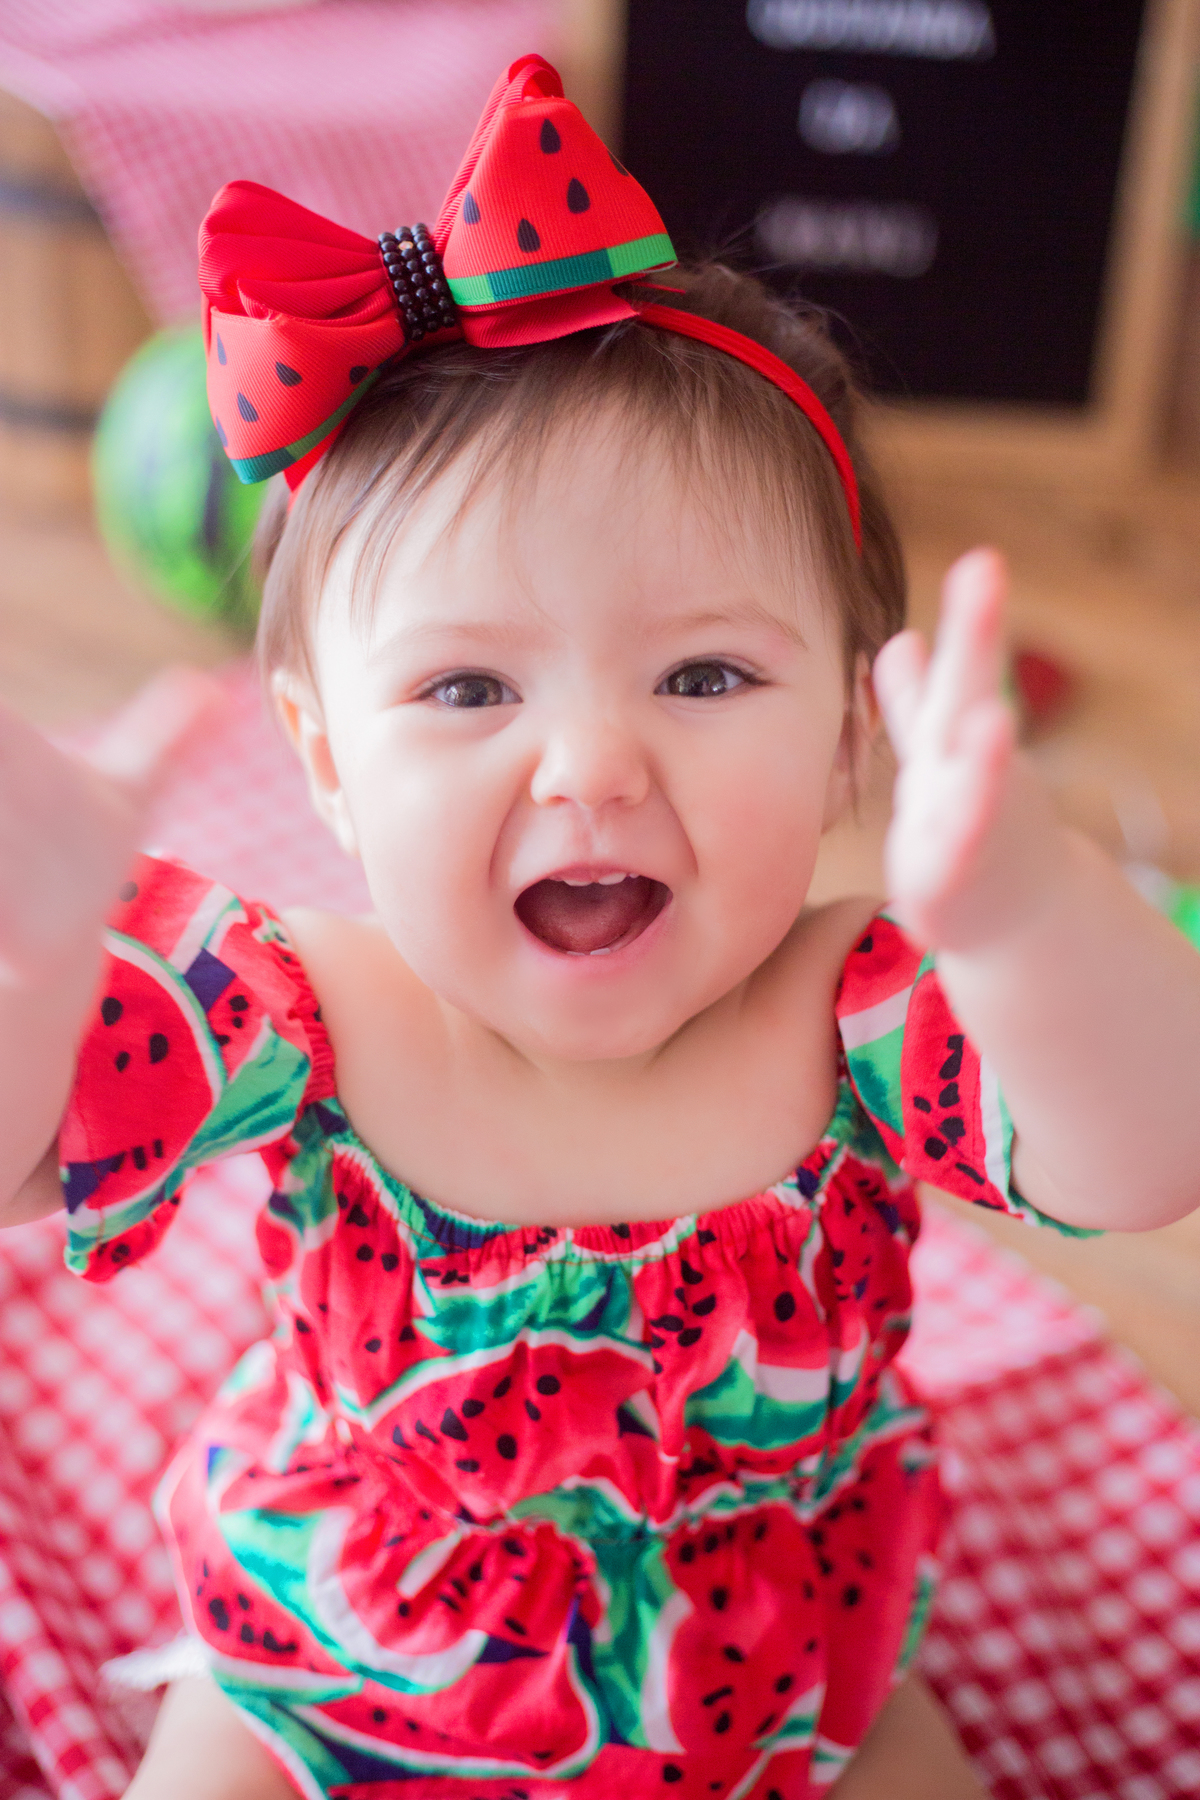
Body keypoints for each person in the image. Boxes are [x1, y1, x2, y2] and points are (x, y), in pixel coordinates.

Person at [2, 54, 1199, 1800]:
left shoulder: (857, 1003)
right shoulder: (291, 999)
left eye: (706, 673)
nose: (590, 765)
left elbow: (1146, 1156)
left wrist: (1024, 911)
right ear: (324, 760)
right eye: (469, 684)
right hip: (331, 1658)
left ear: (852, 733)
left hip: (785, 1669)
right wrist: (34, 954)